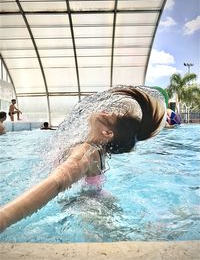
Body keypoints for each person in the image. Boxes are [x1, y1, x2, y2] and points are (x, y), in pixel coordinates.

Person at [0, 85, 167, 232]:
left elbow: (57, 183)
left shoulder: (86, 152)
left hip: (88, 205)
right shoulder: (99, 150)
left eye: (109, 116)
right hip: (98, 197)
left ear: (107, 133)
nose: (104, 110)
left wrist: (4, 218)